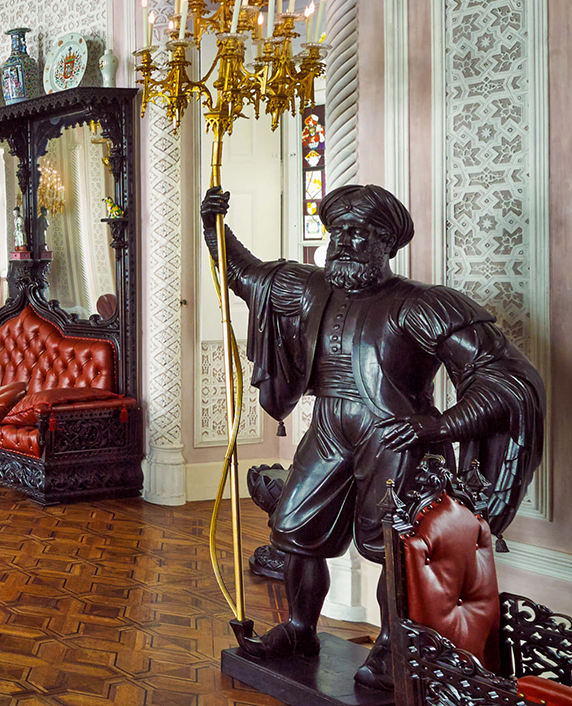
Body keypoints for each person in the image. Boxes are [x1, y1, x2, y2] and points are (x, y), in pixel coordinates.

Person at [201, 183, 543, 689]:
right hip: (328, 426)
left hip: (395, 437)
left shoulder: (423, 304)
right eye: (337, 230)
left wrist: (441, 424)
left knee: (394, 546)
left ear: (387, 242)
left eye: (358, 232)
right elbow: (244, 274)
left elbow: (504, 376)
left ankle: (392, 646)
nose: (343, 241)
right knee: (294, 527)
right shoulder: (308, 287)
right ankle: (299, 630)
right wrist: (213, 227)